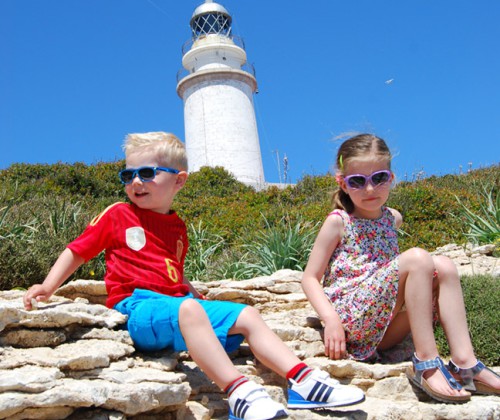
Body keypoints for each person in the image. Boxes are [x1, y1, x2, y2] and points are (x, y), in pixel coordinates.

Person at [23, 131, 364, 420]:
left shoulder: (178, 227)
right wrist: (49, 285)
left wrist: (185, 287)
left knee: (247, 313)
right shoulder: (117, 214)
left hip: (178, 307)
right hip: (135, 307)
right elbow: (78, 249)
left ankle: (302, 381)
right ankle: (239, 391)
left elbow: (171, 268)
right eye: (128, 176)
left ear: (179, 180)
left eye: (146, 172)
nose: (135, 182)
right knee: (189, 310)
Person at [301, 133, 500, 404]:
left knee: (443, 265)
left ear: (391, 178)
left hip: (384, 326)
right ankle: (427, 363)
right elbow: (310, 278)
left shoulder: (392, 218)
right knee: (418, 258)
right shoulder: (338, 222)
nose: (370, 189)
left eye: (379, 178)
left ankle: (465, 363)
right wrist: (330, 320)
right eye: (358, 181)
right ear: (343, 184)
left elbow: (399, 260)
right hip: (353, 320)